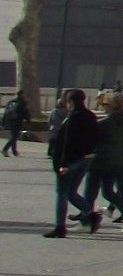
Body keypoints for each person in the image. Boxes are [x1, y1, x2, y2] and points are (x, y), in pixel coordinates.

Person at [45, 89, 98, 237]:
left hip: (70, 162)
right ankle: (90, 215)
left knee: (62, 193)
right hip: (85, 159)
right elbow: (95, 137)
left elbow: (66, 144)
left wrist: (62, 165)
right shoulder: (90, 116)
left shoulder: (73, 118)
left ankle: (60, 227)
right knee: (71, 192)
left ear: (71, 102)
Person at [83, 92, 123, 232]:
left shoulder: (105, 123)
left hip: (100, 160)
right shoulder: (122, 120)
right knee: (108, 191)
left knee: (90, 192)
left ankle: (87, 221)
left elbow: (92, 138)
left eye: (105, 105)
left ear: (110, 106)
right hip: (115, 159)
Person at [1, 90, 27, 156]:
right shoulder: (22, 102)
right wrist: (28, 120)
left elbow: (6, 112)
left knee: (13, 135)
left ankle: (14, 151)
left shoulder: (10, 102)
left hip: (9, 121)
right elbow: (25, 112)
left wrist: (3, 122)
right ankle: (5, 149)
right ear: (22, 94)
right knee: (15, 136)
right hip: (17, 121)